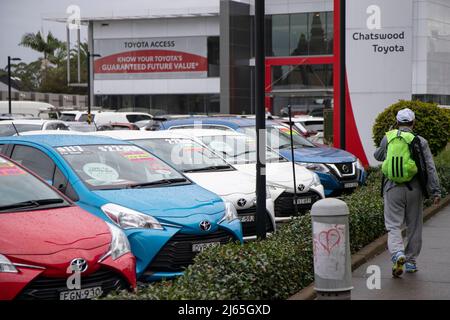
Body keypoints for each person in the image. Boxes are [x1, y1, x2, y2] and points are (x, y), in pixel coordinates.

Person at [374, 108, 441, 277]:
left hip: (392, 187)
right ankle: (411, 261)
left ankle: (397, 253)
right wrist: (435, 191)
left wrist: (388, 138)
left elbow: (378, 156)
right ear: (413, 123)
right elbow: (429, 168)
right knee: (414, 225)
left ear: (397, 122)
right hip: (415, 189)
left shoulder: (388, 137)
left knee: (393, 225)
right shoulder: (420, 141)